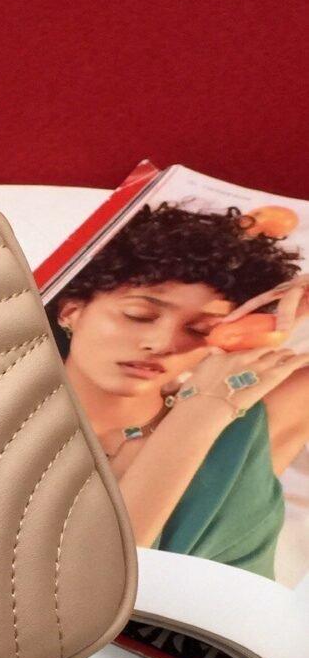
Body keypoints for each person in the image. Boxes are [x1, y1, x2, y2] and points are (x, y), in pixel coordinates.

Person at [47, 201, 309, 579]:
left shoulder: (238, 432)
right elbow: (90, 586)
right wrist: (200, 411)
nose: (162, 343)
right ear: (70, 311)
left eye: (200, 329)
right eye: (139, 315)